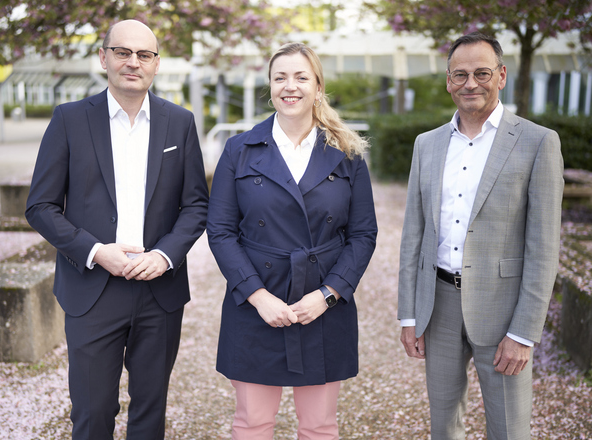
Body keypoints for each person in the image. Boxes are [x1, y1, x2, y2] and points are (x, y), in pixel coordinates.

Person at [25, 19, 208, 440]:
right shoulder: (70, 119)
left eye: (144, 54)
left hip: (158, 291)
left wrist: (163, 256)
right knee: (91, 413)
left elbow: (196, 204)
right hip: (92, 289)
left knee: (150, 411)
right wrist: (94, 251)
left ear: (156, 65)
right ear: (103, 58)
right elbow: (40, 205)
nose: (133, 62)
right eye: (123, 52)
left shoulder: (179, 122)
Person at [207, 42, 378, 439]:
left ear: (318, 87)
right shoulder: (238, 149)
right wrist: (257, 296)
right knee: (252, 423)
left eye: (301, 77)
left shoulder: (347, 153)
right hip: (254, 302)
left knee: (319, 426)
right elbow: (220, 231)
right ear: (270, 87)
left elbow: (363, 234)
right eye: (280, 77)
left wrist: (328, 294)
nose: (290, 86)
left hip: (323, 304)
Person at [398, 32, 564, 439]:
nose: (470, 83)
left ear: (502, 75)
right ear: (448, 81)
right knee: (443, 424)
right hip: (437, 306)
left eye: (482, 73)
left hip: (503, 310)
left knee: (509, 428)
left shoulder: (538, 142)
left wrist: (523, 333)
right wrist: (409, 314)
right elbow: (413, 234)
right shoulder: (427, 144)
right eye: (460, 75)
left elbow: (543, 248)